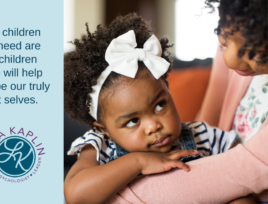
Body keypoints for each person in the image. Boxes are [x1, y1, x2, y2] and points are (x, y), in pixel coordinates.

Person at [63, 13, 239, 204]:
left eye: (159, 106)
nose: (153, 126)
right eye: (132, 121)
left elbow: (242, 175)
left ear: (168, 91)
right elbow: (76, 196)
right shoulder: (102, 147)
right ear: (105, 129)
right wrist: (138, 162)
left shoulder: (206, 137)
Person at [103, 0, 267, 203]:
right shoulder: (101, 145)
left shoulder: (208, 138)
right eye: (224, 38)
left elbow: (250, 169)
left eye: (255, 53)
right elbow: (76, 192)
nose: (229, 60)